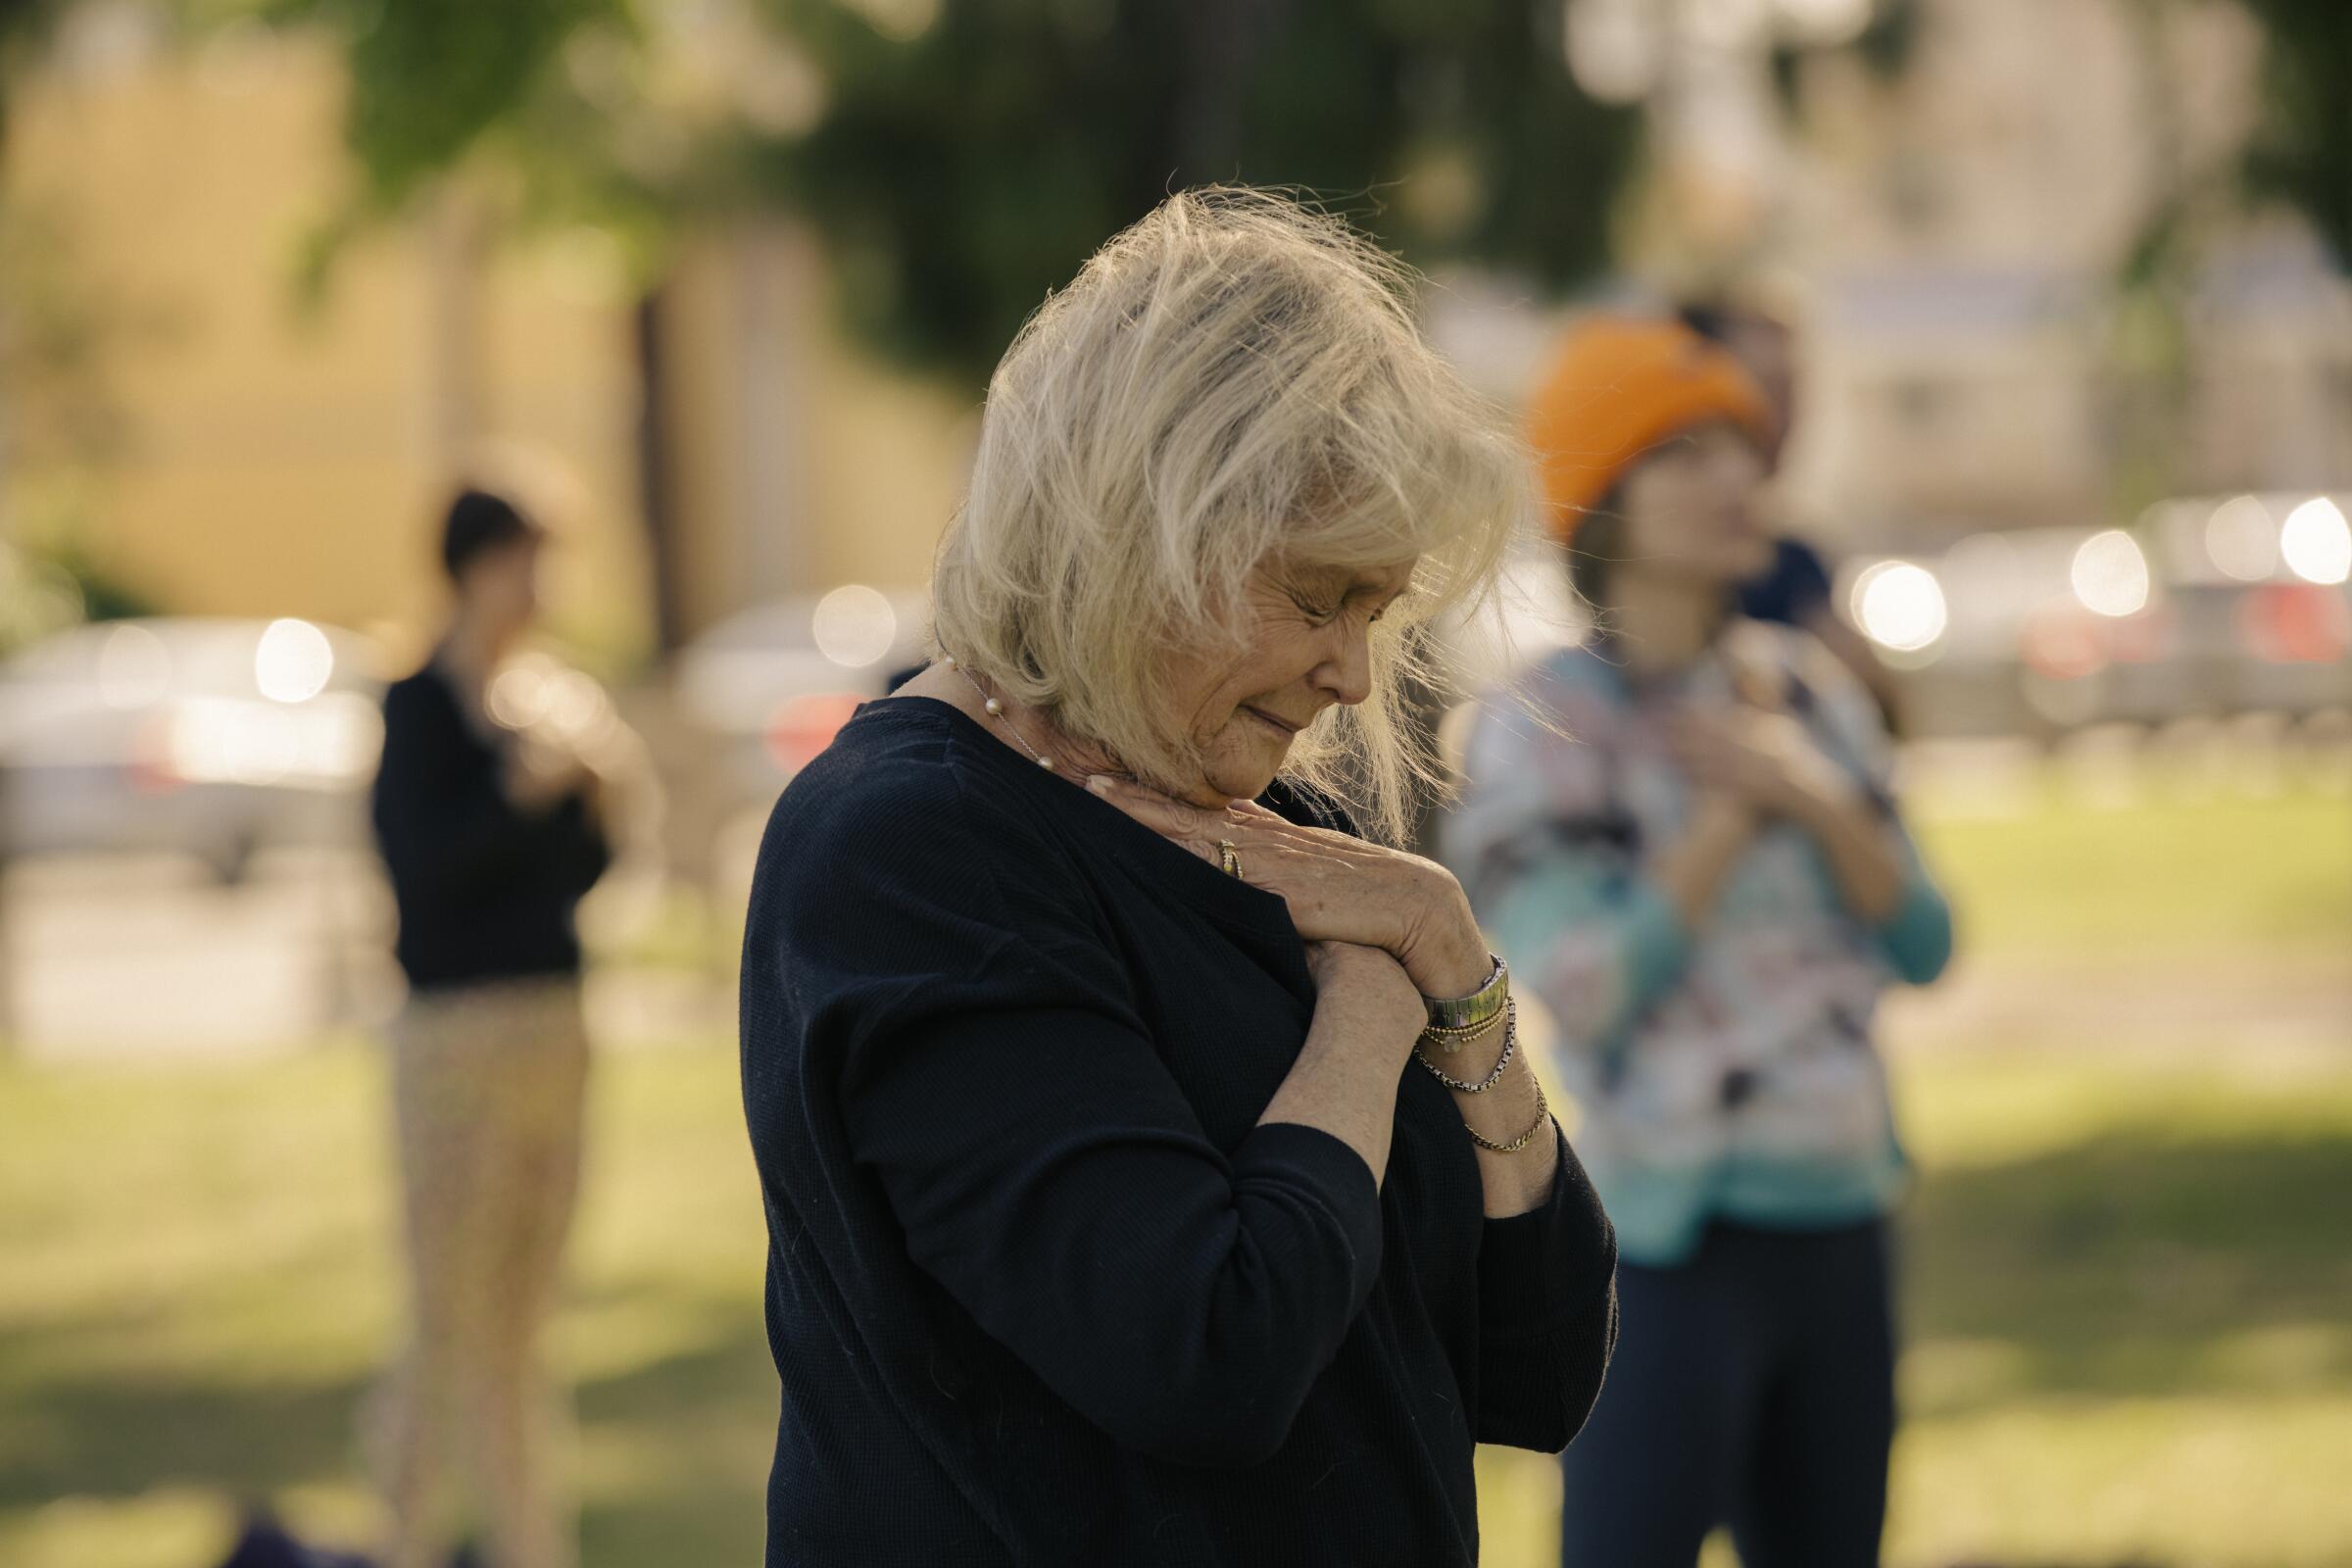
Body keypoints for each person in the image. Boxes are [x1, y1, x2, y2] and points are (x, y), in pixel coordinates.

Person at [738, 189, 1618, 1567]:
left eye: (1375, 614)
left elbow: (1540, 1362)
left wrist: (1459, 980)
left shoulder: (1283, 811)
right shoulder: (909, 850)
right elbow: (1207, 1351)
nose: (1354, 676)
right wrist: (1372, 1014)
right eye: (1319, 598)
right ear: (1144, 529)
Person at [1452, 317, 1954, 1568]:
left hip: (1843, 1214)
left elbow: (1928, 939)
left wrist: (1812, 792)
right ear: (1603, 499)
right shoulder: (1541, 729)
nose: (1739, 474)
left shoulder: (1804, 693)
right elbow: (1584, 987)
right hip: (1666, 1254)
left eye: (1742, 441)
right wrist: (1734, 812)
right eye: (1686, 449)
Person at [365, 487, 617, 1568]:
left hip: (551, 1028)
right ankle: (403, 1538)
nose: (541, 585)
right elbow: (421, 869)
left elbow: (581, 877)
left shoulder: (548, 702)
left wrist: (596, 793)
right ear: (476, 566)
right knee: (446, 1318)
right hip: (453, 1038)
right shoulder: (421, 703)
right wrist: (523, 789)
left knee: (522, 1324)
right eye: (526, 559)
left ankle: (526, 1544)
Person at [1678, 296, 1908, 735]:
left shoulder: (1792, 557)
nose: (1784, 417)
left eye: (1793, 390)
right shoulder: (1664, 554)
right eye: (1762, 388)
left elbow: (1880, 717)